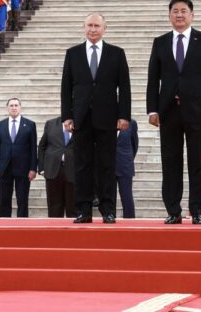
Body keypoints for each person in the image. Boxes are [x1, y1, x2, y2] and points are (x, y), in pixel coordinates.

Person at [147, 0, 201, 225]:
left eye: (183, 11)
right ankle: (173, 210)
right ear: (169, 15)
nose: (179, 15)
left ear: (192, 15)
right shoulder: (160, 42)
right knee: (170, 161)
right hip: (168, 112)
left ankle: (197, 210)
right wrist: (152, 110)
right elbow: (153, 80)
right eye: (175, 11)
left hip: (198, 111)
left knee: (198, 161)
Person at [60, 12, 131, 223]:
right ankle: (83, 210)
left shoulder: (116, 53)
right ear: (84, 28)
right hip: (81, 117)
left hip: (108, 117)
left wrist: (124, 115)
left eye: (97, 26)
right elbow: (66, 87)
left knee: (107, 164)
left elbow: (124, 88)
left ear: (104, 28)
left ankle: (108, 209)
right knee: (82, 164)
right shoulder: (72, 54)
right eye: (89, 25)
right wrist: (67, 116)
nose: (93, 29)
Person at [0, 98, 38, 218]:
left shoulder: (30, 124)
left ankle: (22, 224)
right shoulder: (0, 125)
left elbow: (33, 148)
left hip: (23, 168)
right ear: (7, 108)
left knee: (22, 199)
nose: (14, 107)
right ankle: (3, 223)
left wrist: (33, 168)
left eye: (16, 105)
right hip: (4, 167)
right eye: (11, 105)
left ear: (20, 107)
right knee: (4, 198)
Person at [38, 115, 76, 218]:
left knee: (73, 209)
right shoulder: (51, 123)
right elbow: (42, 146)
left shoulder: (82, 124)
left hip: (74, 171)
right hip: (53, 170)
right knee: (54, 208)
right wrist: (41, 168)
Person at [116, 117, 140, 219]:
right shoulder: (105, 121)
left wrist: (128, 159)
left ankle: (130, 220)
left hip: (125, 165)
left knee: (127, 197)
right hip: (108, 166)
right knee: (109, 199)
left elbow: (134, 145)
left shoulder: (131, 123)